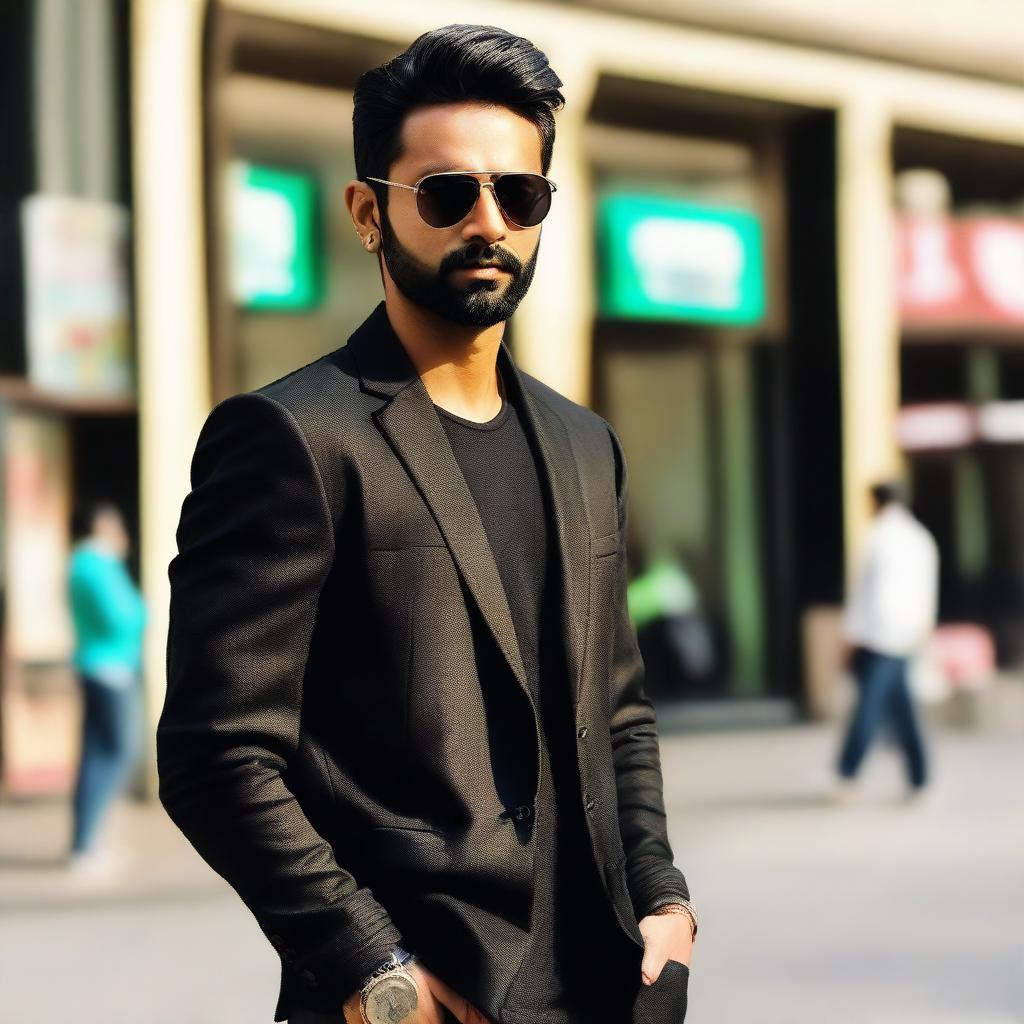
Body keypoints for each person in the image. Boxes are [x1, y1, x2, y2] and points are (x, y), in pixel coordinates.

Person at [158, 24, 696, 1024]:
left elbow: (617, 711)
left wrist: (662, 897)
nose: (486, 221)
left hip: (610, 987)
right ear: (369, 213)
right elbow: (215, 748)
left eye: (518, 194)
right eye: (448, 194)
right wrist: (370, 966)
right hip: (424, 992)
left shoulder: (584, 445)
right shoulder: (290, 438)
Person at [831, 480, 939, 803]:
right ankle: (919, 777)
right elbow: (927, 592)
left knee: (868, 710)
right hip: (907, 637)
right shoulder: (921, 538)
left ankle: (846, 774)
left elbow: (865, 593)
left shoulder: (877, 538)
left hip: (877, 638)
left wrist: (851, 636)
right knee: (902, 711)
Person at [65, 498, 147, 872]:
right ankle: (86, 844)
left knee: (95, 755)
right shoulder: (98, 564)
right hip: (111, 668)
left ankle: (85, 840)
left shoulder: (80, 563)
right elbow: (124, 616)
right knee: (115, 754)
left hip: (94, 666)